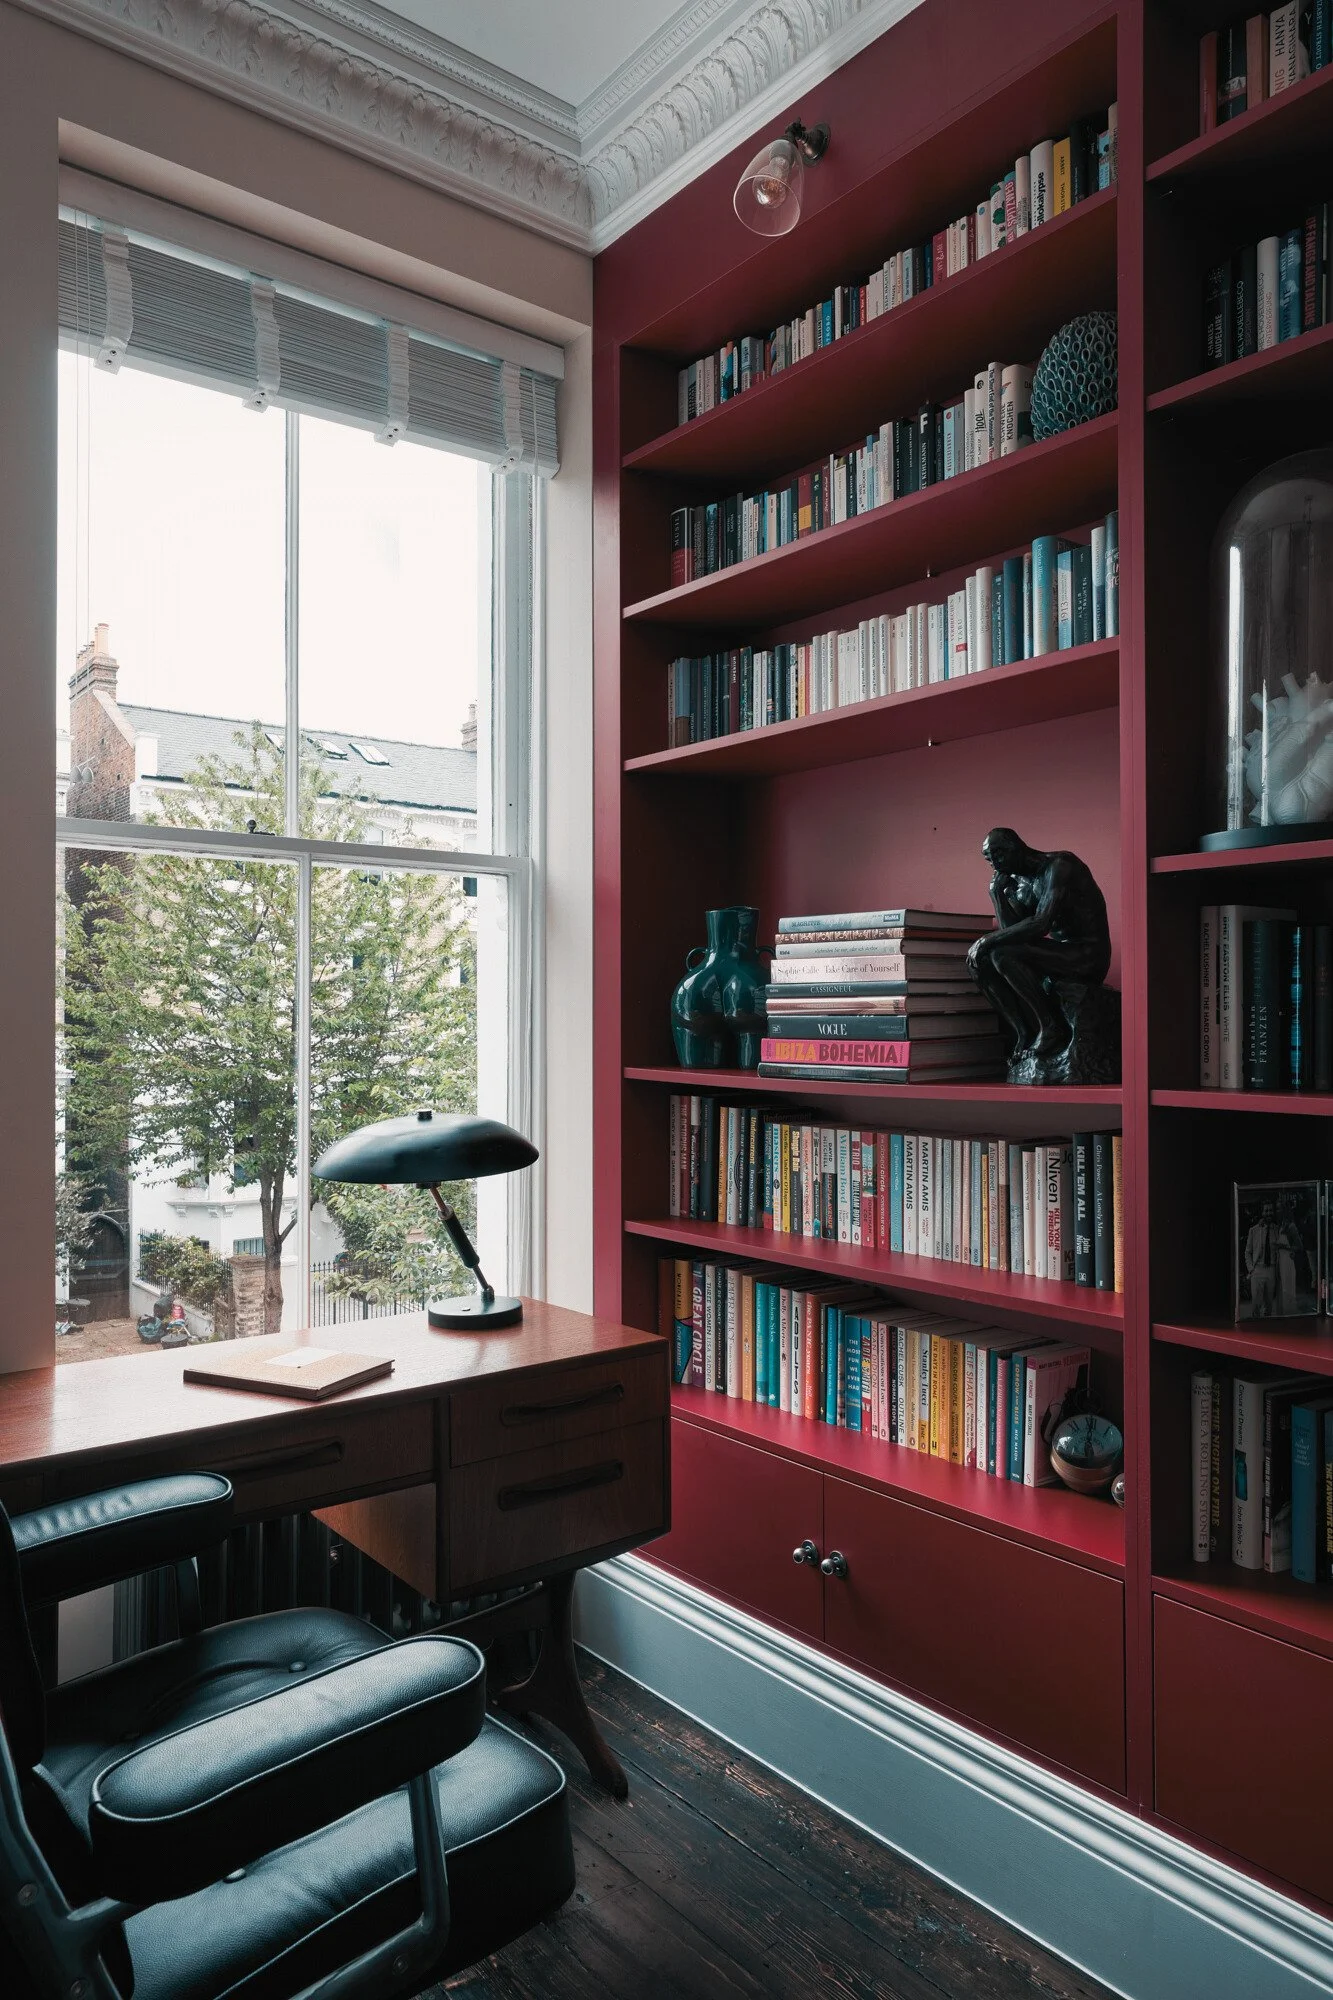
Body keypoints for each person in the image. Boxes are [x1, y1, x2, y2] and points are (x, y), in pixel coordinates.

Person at [966, 828, 1112, 1061]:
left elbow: (1041, 924)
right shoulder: (1018, 885)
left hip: (1087, 955)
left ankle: (1051, 1026)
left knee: (1000, 953)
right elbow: (1013, 933)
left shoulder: (1060, 866)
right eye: (989, 858)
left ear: (1016, 847)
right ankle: (1024, 1032)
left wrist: (986, 939)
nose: (995, 863)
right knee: (979, 961)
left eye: (999, 854)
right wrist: (997, 896)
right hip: (1058, 954)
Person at [1244, 1201, 1279, 1317]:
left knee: (1269, 1305)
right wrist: (1251, 1269)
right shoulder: (1253, 1230)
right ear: (1262, 1212)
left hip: (1271, 1269)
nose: (1268, 1213)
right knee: (1256, 1304)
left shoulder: (1277, 1229)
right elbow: (1248, 1252)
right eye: (1266, 1210)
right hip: (1257, 1269)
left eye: (1270, 1210)